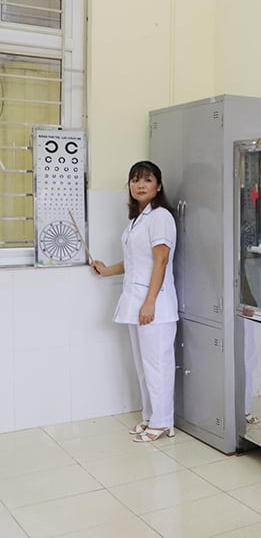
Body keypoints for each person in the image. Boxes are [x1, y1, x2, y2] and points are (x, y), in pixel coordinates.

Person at [91, 161, 178, 443]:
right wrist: (106, 270)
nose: (140, 185)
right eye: (135, 180)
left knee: (158, 365)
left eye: (147, 180)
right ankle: (151, 416)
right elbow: (134, 263)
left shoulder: (160, 216)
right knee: (144, 365)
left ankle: (163, 422)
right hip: (135, 302)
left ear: (158, 186)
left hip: (155, 305)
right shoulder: (137, 220)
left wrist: (150, 302)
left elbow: (161, 259)